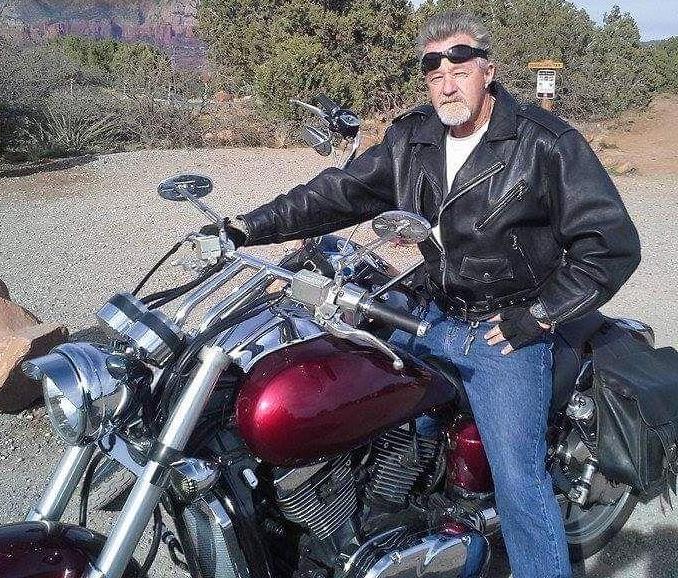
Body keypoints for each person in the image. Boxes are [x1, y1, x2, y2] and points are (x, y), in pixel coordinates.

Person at [203, 11, 641, 578]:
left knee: (519, 483)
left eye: (459, 67)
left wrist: (537, 316)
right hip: (429, 310)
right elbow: (338, 192)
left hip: (503, 330)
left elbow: (611, 244)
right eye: (433, 71)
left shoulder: (545, 143)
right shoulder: (414, 138)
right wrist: (246, 228)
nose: (446, 82)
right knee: (345, 391)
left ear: (488, 70)